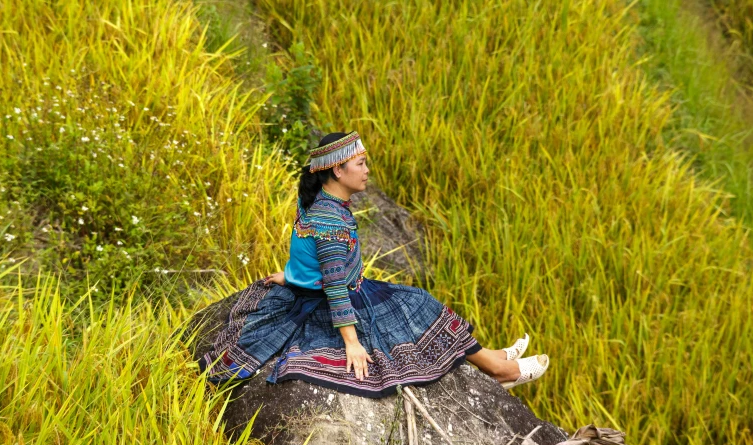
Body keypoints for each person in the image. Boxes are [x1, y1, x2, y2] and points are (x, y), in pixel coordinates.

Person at [198, 131, 549, 397]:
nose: (367, 170)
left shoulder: (317, 203)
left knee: (417, 302)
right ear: (338, 169)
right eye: (361, 163)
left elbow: (307, 257)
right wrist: (351, 342)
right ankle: (498, 369)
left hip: (323, 289)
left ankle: (496, 359)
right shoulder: (331, 223)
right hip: (331, 302)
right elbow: (334, 285)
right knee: (418, 305)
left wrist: (291, 277)